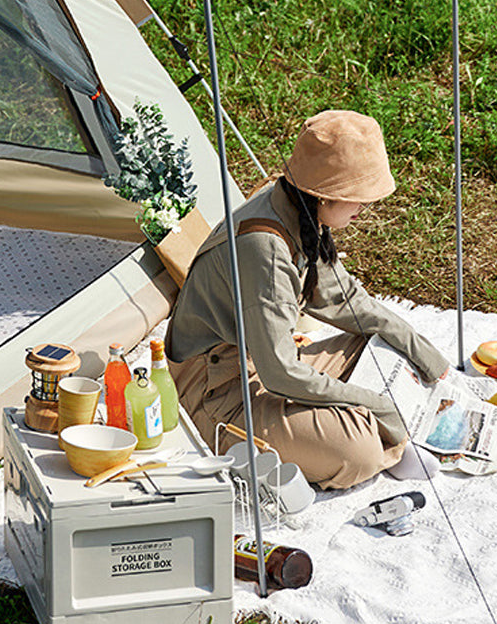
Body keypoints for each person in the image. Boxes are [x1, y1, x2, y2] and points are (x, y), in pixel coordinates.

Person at [165, 109, 450, 490]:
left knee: (376, 344)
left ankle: (368, 427)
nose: (364, 209)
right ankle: (384, 442)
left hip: (259, 362)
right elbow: (279, 372)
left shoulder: (295, 209)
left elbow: (345, 301)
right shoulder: (265, 249)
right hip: (218, 389)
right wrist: (376, 405)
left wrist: (424, 353)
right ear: (325, 195)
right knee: (357, 452)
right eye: (357, 198)